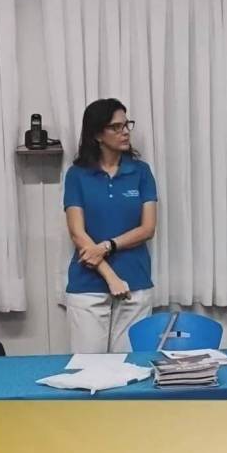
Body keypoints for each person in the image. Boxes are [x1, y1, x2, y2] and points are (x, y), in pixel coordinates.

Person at [64, 98, 157, 353]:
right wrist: (110, 276)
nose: (125, 132)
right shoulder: (77, 175)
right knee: (88, 368)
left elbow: (147, 229)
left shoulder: (141, 172)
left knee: (130, 368)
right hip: (88, 286)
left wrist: (107, 246)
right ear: (97, 135)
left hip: (135, 283)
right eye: (116, 127)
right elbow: (77, 233)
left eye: (126, 125)